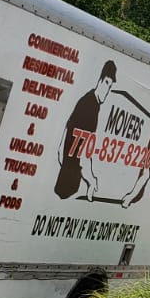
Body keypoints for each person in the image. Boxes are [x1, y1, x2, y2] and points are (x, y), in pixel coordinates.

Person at [55, 60, 116, 200]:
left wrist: (66, 164)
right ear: (100, 80)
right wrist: (91, 180)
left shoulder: (88, 101)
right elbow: (83, 157)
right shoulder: (90, 107)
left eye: (110, 86)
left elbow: (62, 147)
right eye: (107, 83)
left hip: (65, 186)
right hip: (70, 190)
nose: (107, 90)